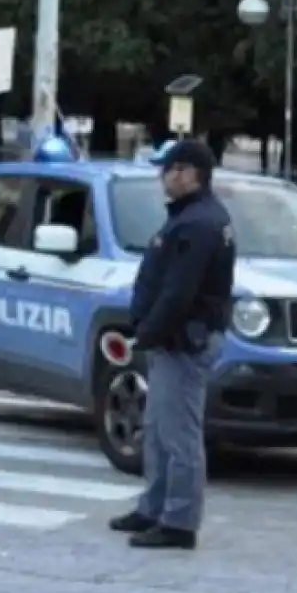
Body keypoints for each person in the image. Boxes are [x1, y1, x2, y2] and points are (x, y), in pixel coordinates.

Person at [109, 139, 235, 551]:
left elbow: (178, 291)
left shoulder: (197, 223)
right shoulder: (193, 217)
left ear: (188, 173)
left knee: (179, 433)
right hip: (175, 338)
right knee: (160, 428)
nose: (163, 177)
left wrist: (146, 333)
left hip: (184, 340)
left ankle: (179, 521)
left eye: (169, 169)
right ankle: (155, 507)